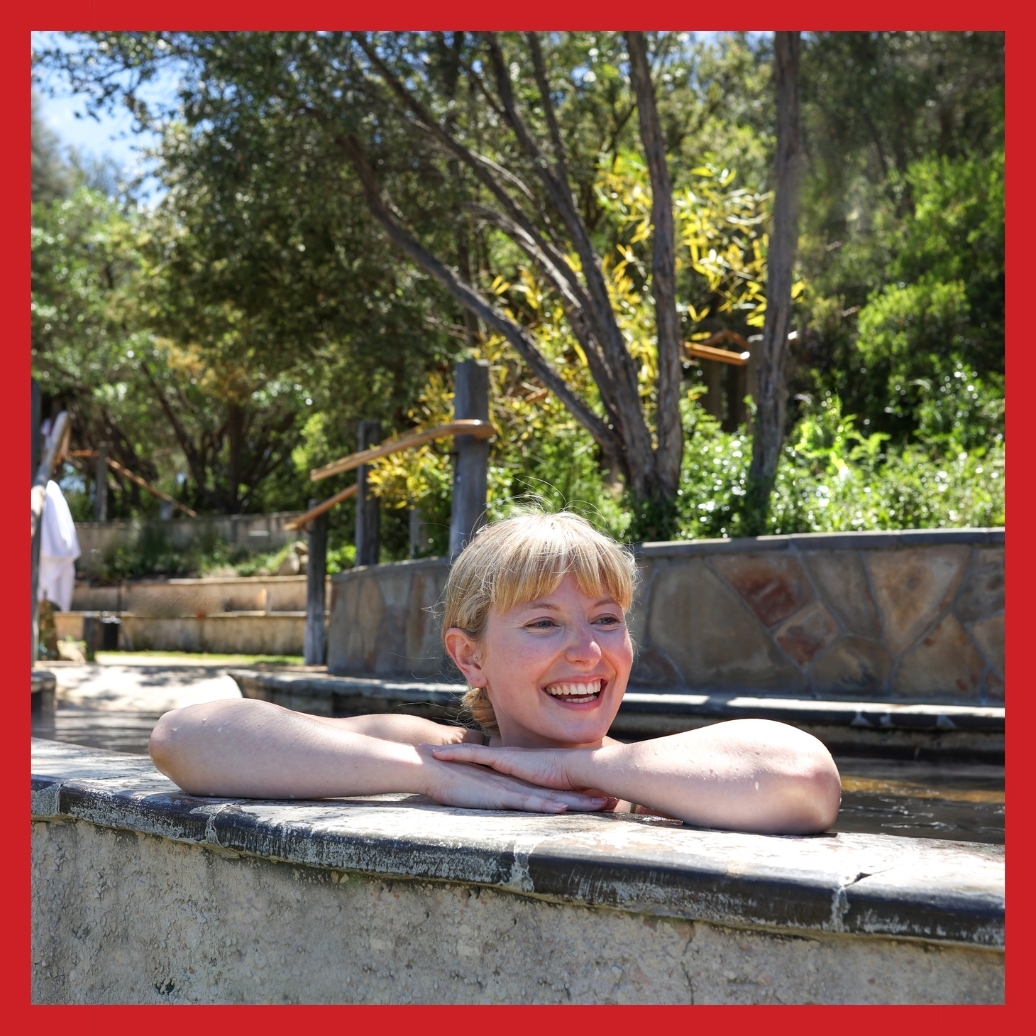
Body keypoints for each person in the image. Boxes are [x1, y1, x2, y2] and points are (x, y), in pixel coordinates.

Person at [149, 512, 841, 834]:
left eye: (605, 619)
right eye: (543, 623)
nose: (587, 651)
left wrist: (582, 770)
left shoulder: (656, 773)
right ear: (468, 656)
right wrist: (428, 775)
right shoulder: (441, 751)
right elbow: (187, 735)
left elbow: (806, 780)